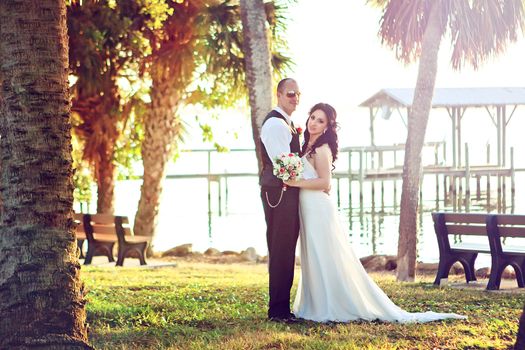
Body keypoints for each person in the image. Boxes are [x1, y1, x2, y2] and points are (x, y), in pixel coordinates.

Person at [284, 102, 467, 323]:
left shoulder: (322, 149)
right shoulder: (306, 147)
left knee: (326, 256)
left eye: (320, 120)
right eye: (313, 117)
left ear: (327, 127)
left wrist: (294, 183)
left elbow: (325, 182)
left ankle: (332, 305)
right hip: (308, 208)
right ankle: (315, 302)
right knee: (313, 256)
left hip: (318, 209)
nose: (314, 123)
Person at [259, 78, 303, 322]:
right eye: (290, 94)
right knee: (281, 250)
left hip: (284, 191)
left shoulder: (287, 123)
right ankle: (277, 311)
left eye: (298, 94)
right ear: (278, 95)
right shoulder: (275, 124)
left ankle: (281, 308)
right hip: (279, 193)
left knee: (285, 250)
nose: (295, 98)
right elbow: (284, 164)